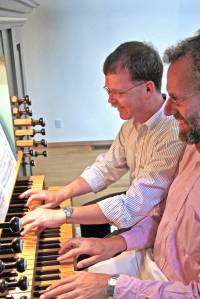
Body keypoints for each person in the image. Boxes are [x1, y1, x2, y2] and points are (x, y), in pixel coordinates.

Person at [37, 25, 200, 299]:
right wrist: (113, 244)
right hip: (150, 263)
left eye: (176, 98)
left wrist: (114, 286)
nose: (170, 111)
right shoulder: (196, 145)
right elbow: (163, 218)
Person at [20, 41, 184, 238]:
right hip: (139, 207)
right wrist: (60, 194)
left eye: (118, 92)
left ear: (148, 89)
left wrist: (63, 214)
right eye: (109, 91)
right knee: (88, 220)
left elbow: (132, 207)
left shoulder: (173, 133)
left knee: (89, 232)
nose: (110, 100)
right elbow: (106, 168)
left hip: (161, 225)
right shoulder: (130, 126)